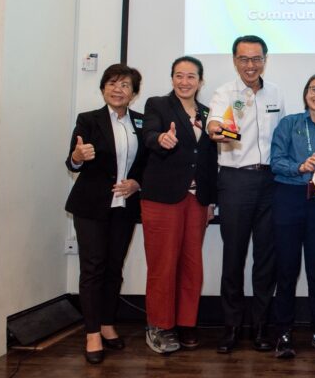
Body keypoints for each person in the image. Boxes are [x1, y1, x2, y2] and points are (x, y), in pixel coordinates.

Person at [207, 35, 285, 353]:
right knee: (234, 256)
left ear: (265, 60)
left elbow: (282, 139)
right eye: (244, 59)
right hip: (235, 181)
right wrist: (217, 129)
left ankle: (261, 327)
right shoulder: (224, 93)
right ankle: (232, 327)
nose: (250, 65)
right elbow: (214, 124)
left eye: (256, 59)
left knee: (266, 259)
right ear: (234, 60)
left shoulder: (277, 93)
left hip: (271, 182)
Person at [64, 64, 146, 364]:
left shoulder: (141, 122)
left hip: (123, 207)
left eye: (125, 85)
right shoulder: (88, 120)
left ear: (134, 94)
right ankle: (92, 332)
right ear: (102, 88)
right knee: (93, 268)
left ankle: (109, 323)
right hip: (91, 206)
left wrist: (137, 182)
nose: (117, 89)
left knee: (114, 268)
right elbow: (73, 162)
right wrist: (76, 157)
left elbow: (146, 164)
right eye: (111, 83)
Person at [140, 56, 218, 354]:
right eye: (179, 76)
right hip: (163, 198)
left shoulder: (209, 113)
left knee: (191, 265)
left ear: (201, 81)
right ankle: (160, 325)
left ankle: (186, 322)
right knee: (162, 264)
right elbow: (149, 135)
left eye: (191, 76)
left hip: (196, 200)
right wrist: (161, 138)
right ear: (172, 78)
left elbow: (211, 160)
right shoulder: (158, 105)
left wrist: (211, 200)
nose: (184, 82)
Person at [270, 72, 315, 359]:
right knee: (287, 270)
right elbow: (276, 161)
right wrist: (299, 168)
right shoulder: (288, 124)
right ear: (305, 94)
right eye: (314, 89)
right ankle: (284, 332)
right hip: (288, 198)